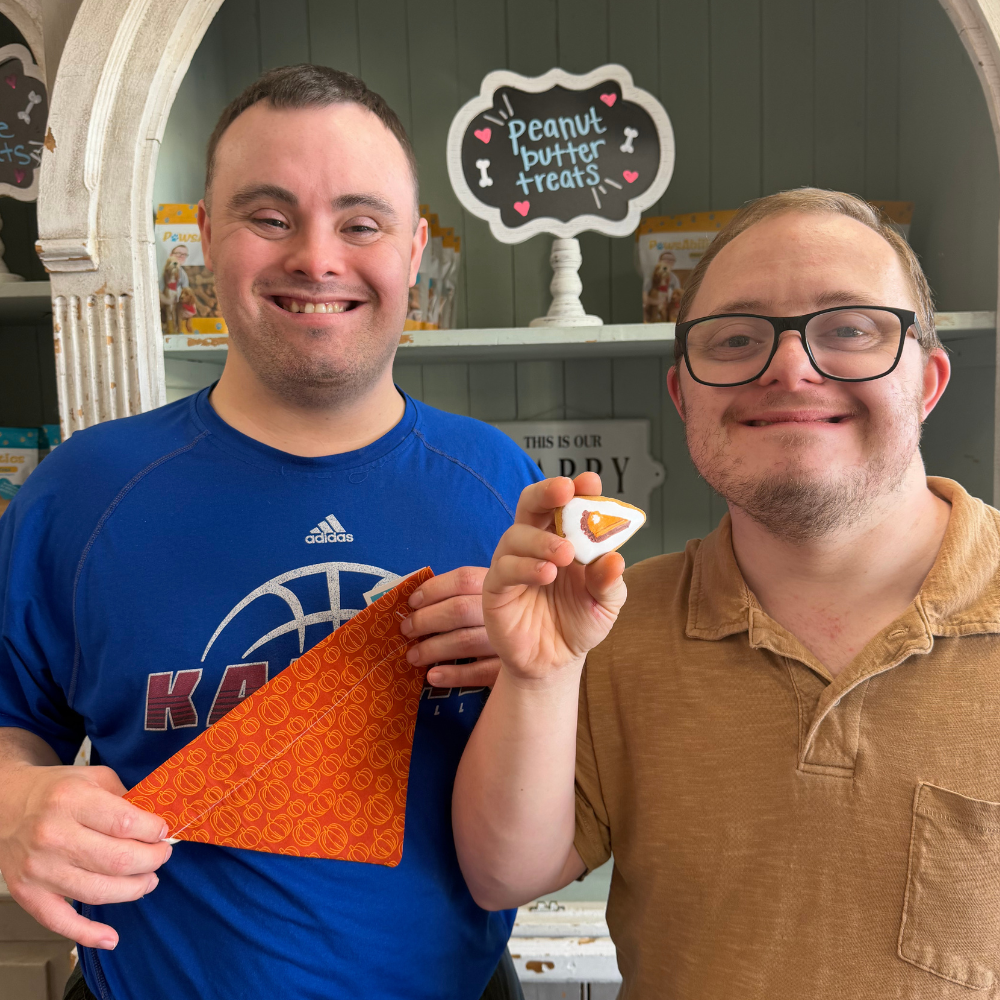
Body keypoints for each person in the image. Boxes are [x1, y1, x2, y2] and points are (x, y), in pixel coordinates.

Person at [0, 65, 539, 1000]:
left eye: (360, 223)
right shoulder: (78, 492)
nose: (318, 259)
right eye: (270, 217)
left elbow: (590, 759)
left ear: (413, 251)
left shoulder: (504, 494)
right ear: (206, 237)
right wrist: (9, 804)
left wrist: (540, 676)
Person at [452, 188, 1000, 998]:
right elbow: (504, 875)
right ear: (683, 396)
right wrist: (539, 672)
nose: (790, 366)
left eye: (850, 329)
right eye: (737, 338)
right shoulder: (612, 624)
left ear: (927, 381)